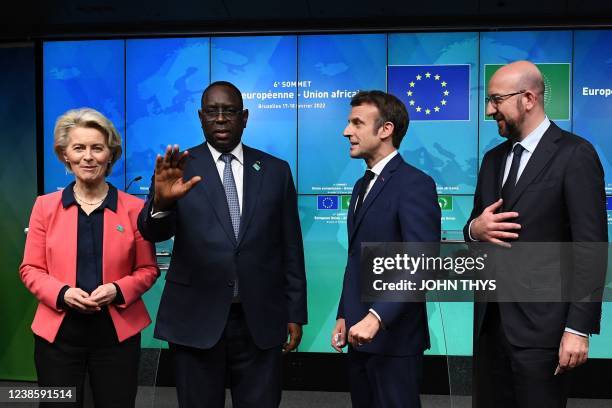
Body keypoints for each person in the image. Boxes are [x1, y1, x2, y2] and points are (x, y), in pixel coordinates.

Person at [137, 81, 307, 408]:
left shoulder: (275, 170)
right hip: (195, 319)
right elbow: (151, 231)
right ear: (200, 117)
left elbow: (290, 247)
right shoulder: (179, 169)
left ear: (244, 117)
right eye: (212, 112)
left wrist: (295, 311)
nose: (220, 119)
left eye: (228, 111)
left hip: (260, 318)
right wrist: (162, 202)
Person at [464, 60, 607, 407]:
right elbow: (475, 228)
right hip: (489, 330)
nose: (488, 109)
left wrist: (578, 329)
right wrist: (474, 230)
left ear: (528, 98)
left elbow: (590, 248)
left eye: (496, 99)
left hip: (545, 333)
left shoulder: (575, 155)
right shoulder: (492, 160)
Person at [20, 108, 159, 407]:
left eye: (97, 148)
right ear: (65, 155)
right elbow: (30, 269)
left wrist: (117, 289)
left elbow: (148, 269)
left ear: (110, 155)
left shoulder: (134, 208)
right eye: (79, 148)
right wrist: (63, 293)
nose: (88, 156)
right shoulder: (45, 206)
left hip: (116, 338)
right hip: (57, 337)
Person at [331, 90, 441, 407]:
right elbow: (356, 258)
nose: (346, 131)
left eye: (356, 123)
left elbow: (422, 261)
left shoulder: (414, 183)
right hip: (359, 334)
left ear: (385, 129)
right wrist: (344, 314)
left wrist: (377, 316)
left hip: (395, 339)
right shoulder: (361, 184)